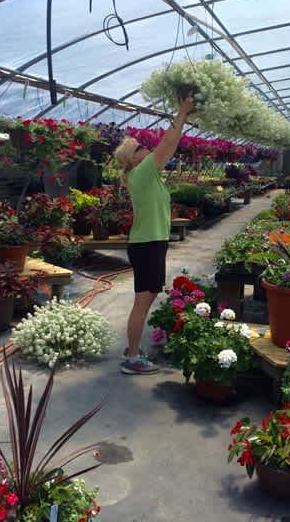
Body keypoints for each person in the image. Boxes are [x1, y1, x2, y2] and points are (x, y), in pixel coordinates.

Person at [113, 95, 195, 374]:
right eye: (140, 147)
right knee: (142, 303)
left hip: (150, 244)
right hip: (147, 245)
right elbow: (168, 143)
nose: (146, 148)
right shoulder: (143, 172)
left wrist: (183, 116)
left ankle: (132, 349)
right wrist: (182, 113)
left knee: (144, 301)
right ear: (133, 158)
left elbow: (168, 146)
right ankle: (133, 358)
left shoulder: (146, 175)